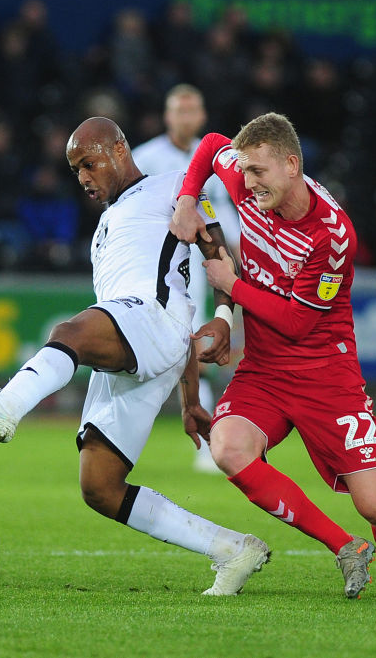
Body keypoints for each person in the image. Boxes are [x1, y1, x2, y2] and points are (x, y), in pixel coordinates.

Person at [0, 117, 269, 596]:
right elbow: (175, 307)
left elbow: (217, 250)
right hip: (144, 340)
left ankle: (4, 407)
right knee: (100, 488)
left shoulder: (177, 187)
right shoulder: (105, 228)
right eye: (75, 171)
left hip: (151, 322)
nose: (83, 178)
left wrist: (226, 317)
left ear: (117, 149)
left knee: (70, 330)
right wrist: (191, 398)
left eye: (87, 164)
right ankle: (232, 549)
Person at [171, 112, 376, 599]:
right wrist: (186, 198)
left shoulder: (332, 234)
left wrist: (232, 288)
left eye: (259, 173)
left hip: (327, 375)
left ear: (290, 165)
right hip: (264, 371)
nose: (247, 183)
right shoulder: (247, 180)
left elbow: (296, 323)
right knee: (227, 447)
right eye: (244, 171)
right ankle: (345, 547)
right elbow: (212, 143)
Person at [132, 83, 239, 474]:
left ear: (202, 117)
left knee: (198, 346)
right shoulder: (144, 158)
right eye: (178, 110)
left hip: (205, 262)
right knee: (174, 346)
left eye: (191, 111)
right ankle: (205, 437)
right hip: (156, 266)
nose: (185, 118)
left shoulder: (217, 159)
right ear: (167, 116)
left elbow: (226, 215)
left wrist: (237, 255)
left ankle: (215, 436)